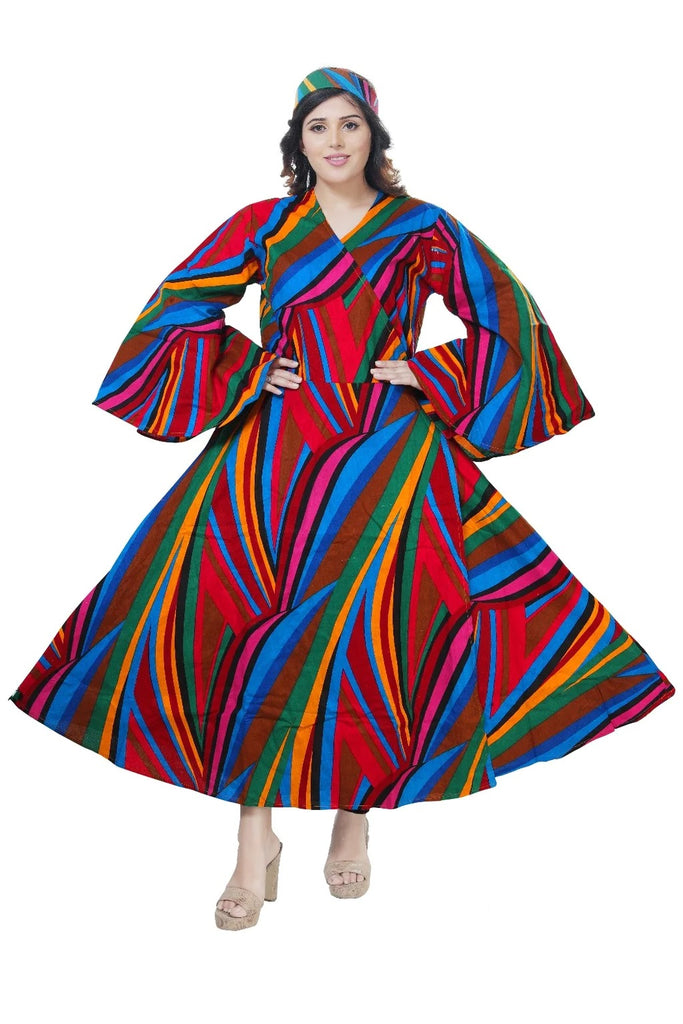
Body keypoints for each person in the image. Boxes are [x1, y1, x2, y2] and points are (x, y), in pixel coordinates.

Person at [8, 66, 675, 931]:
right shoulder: (265, 224)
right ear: (298, 140)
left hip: (386, 451)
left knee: (375, 630)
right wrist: (246, 369)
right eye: (317, 126)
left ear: (374, 137)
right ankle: (254, 841)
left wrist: (433, 371)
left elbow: (510, 318)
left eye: (349, 125)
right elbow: (174, 310)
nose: (334, 140)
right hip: (273, 453)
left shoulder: (423, 227)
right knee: (244, 628)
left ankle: (353, 818)